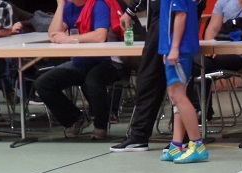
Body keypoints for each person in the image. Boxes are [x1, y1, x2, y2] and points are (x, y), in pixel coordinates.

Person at [34, 0, 126, 140]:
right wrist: (60, 6)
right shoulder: (69, 7)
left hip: (108, 61)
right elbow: (53, 34)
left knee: (92, 81)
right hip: (81, 61)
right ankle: (74, 119)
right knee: (43, 83)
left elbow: (100, 36)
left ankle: (101, 125)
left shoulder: (99, 4)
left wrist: (70, 39)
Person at [109, 0, 167, 152]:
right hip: (159, 21)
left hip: (172, 19)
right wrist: (130, 11)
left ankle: (184, 138)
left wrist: (130, 11)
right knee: (148, 79)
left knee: (178, 86)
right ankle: (139, 135)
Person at [159, 0, 209, 163]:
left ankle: (197, 145)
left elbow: (181, 14)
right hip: (176, 46)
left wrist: (174, 48)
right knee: (175, 96)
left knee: (178, 94)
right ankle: (176, 145)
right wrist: (168, 48)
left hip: (180, 47)